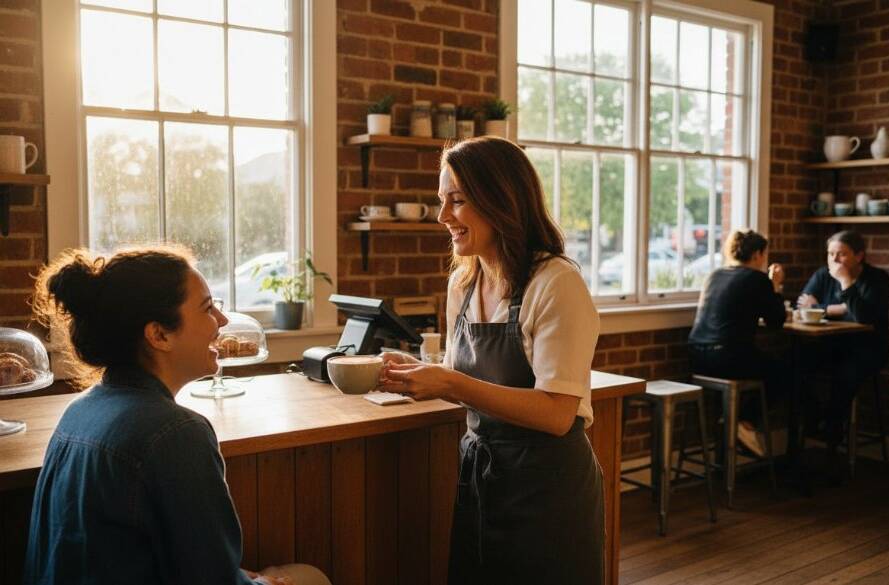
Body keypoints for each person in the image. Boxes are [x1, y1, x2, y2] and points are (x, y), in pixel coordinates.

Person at [24, 246, 330, 585]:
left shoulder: (78, 412)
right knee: (309, 577)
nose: (223, 320)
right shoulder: (175, 432)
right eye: (207, 308)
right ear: (159, 335)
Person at [378, 137, 603, 585]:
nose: (443, 217)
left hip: (548, 491)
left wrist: (448, 383)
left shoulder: (556, 284)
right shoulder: (463, 282)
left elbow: (558, 413)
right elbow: (461, 373)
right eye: (442, 201)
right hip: (480, 482)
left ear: (501, 200)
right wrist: (418, 371)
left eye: (456, 201)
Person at [688, 229, 788, 457]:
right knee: (785, 371)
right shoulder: (757, 279)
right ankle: (744, 421)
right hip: (728, 358)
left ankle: (731, 421)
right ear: (757, 254)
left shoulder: (715, 274)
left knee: (762, 365)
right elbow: (776, 321)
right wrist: (776, 286)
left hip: (697, 357)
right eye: (764, 254)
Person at [797, 230, 889, 450]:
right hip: (832, 345)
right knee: (795, 362)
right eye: (830, 254)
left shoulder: (877, 279)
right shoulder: (822, 275)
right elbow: (803, 309)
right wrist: (839, 309)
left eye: (841, 254)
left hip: (868, 348)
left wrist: (846, 282)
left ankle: (832, 431)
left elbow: (865, 317)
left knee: (845, 373)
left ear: (859, 256)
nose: (834, 260)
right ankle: (814, 418)